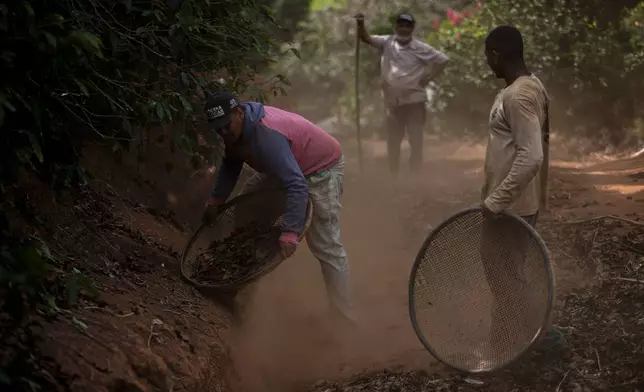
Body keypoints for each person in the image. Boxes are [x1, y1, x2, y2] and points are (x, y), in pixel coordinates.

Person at [201, 91, 355, 322]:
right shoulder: (235, 134)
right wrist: (215, 201)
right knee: (246, 214)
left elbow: (297, 185)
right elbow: (230, 165)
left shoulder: (265, 136)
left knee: (325, 245)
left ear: (239, 113)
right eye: (218, 128)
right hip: (288, 168)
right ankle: (238, 289)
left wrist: (290, 232)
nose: (223, 132)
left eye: (226, 125)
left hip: (321, 169)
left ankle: (343, 319)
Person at [480, 25, 565, 357]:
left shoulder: (519, 94)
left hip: (510, 207)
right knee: (505, 277)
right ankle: (503, 346)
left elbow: (532, 154)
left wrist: (496, 200)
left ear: (497, 55)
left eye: (488, 57)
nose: (488, 64)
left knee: (505, 277)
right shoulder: (529, 88)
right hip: (515, 204)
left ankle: (545, 339)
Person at [355, 12, 448, 175]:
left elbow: (443, 59)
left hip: (415, 102)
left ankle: (415, 178)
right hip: (393, 103)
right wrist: (361, 24)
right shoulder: (387, 42)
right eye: (401, 25)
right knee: (393, 142)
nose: (403, 29)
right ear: (396, 27)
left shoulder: (420, 47)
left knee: (416, 141)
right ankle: (394, 177)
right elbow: (366, 38)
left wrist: (429, 77)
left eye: (407, 26)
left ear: (412, 29)